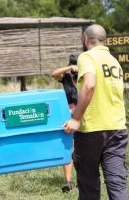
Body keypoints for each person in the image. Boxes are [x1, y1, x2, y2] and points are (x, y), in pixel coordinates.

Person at [63, 24, 129, 200]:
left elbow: (90, 84)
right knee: (117, 184)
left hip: (91, 131)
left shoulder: (86, 57)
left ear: (86, 40)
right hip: (117, 129)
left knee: (89, 185)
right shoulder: (114, 61)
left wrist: (76, 118)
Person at [52, 52, 79, 192]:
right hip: (69, 117)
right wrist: (68, 69)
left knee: (84, 149)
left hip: (84, 115)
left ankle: (83, 178)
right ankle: (68, 181)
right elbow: (54, 73)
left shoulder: (87, 77)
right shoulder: (66, 77)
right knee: (69, 147)